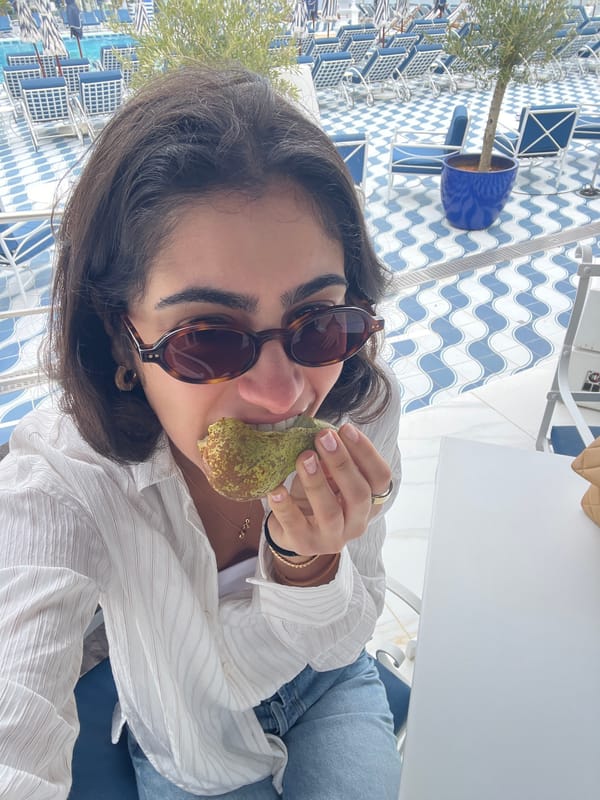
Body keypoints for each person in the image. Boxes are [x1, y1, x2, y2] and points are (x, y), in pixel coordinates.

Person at [0, 66, 403, 799]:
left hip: (330, 690)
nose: (283, 393)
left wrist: (309, 565)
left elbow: (346, 637)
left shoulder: (359, 406)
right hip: (189, 741)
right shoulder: (62, 479)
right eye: (208, 339)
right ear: (123, 338)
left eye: (320, 321)